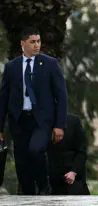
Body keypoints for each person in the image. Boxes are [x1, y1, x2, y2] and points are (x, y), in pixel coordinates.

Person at [0, 27, 68, 195]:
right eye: (32, 42)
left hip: (42, 121)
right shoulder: (11, 67)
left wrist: (59, 125)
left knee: (36, 150)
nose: (37, 45)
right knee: (22, 161)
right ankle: (28, 194)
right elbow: (3, 98)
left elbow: (62, 96)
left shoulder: (50, 64)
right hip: (19, 120)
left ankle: (44, 186)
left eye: (38, 41)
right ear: (23, 44)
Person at [48, 113, 90, 195]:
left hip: (71, 179)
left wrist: (73, 172)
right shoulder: (40, 122)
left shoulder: (73, 121)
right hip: (49, 180)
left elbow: (82, 151)